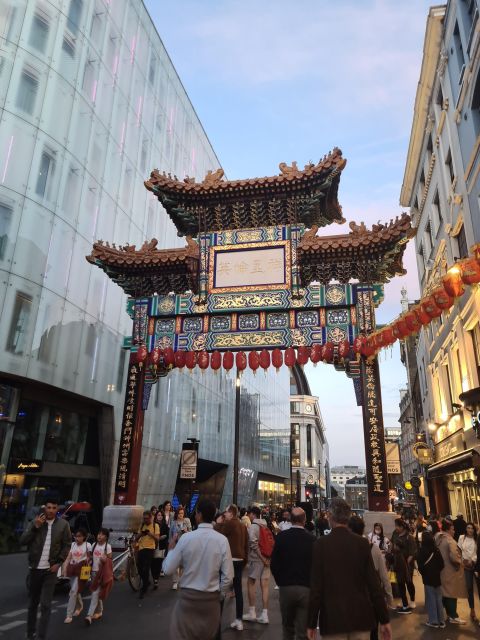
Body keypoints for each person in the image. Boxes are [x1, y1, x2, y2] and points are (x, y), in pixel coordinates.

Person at [307, 498, 391, 640]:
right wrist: (384, 619)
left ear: (330, 516)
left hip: (333, 620)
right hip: (361, 617)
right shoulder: (362, 544)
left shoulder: (321, 545)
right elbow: (374, 584)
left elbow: (316, 589)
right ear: (348, 517)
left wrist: (311, 623)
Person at [163, 498, 233, 640]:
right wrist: (220, 594)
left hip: (188, 601)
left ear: (199, 515)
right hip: (211, 602)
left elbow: (168, 569)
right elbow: (228, 576)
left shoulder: (186, 538)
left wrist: (171, 550)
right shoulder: (221, 540)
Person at [20, 499, 71, 640]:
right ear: (44, 508)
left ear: (57, 509)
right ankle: (31, 634)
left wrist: (59, 563)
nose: (51, 510)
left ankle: (41, 637)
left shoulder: (63, 525)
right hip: (35, 568)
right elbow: (23, 541)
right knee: (32, 604)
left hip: (51, 570)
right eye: (48, 507)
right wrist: (35, 527)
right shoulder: (35, 522)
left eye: (54, 507)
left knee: (46, 605)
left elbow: (67, 545)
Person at [271, 507, 315, 640]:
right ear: (304, 520)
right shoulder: (312, 539)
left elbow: (274, 564)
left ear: (290, 519)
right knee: (303, 631)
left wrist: (280, 581)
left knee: (287, 628)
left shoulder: (281, 537)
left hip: (286, 587)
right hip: (306, 588)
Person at [348, 516, 393, 637]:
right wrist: (389, 597)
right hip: (373, 596)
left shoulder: (346, 549)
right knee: (373, 631)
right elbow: (384, 576)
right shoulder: (374, 548)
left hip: (353, 598)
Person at [214, 503, 249, 631]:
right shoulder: (242, 526)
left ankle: (217, 620)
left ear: (232, 513)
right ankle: (239, 620)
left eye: (227, 512)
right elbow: (246, 545)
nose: (225, 514)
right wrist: (245, 561)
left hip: (229, 560)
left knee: (222, 589)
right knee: (238, 590)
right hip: (240, 560)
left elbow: (218, 534)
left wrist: (218, 523)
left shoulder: (229, 524)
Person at [243, 506, 272, 624]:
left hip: (256, 559)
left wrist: (261, 558)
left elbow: (253, 544)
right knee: (265, 586)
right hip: (267, 558)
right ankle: (265, 614)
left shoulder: (254, 527)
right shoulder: (265, 525)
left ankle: (252, 612)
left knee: (251, 583)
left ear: (253, 515)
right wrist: (266, 559)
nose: (249, 516)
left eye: (249, 514)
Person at [436, 518, 468, 624]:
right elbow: (454, 557)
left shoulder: (438, 537)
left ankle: (447, 614)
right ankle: (453, 616)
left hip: (441, 570)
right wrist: (459, 563)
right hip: (450, 571)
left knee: (445, 593)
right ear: (449, 529)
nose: (454, 531)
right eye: (453, 529)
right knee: (452, 593)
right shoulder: (450, 540)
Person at [417, 531, 445, 629]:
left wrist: (424, 573)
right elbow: (442, 564)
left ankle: (433, 621)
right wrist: (436, 571)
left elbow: (420, 566)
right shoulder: (436, 550)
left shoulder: (421, 550)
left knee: (431, 599)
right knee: (438, 599)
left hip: (428, 578)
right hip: (437, 578)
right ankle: (441, 621)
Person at [85, 527, 112, 625]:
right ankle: (100, 611)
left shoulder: (107, 547)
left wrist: (105, 560)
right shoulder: (94, 545)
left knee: (95, 593)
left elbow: (110, 560)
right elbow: (91, 557)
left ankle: (89, 615)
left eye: (102, 534)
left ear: (106, 537)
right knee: (96, 593)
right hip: (93, 572)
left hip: (102, 574)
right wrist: (89, 560)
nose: (99, 536)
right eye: (98, 534)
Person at [63, 528, 91, 623]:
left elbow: (89, 558)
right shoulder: (73, 544)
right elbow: (69, 557)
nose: (77, 538)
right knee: (75, 591)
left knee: (73, 591)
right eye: (76, 536)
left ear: (84, 537)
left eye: (79, 536)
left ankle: (69, 615)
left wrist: (88, 560)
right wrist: (64, 568)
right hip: (72, 569)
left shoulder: (88, 545)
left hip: (82, 570)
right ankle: (80, 606)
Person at [391, 518, 416, 609]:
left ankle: (412, 600)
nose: (396, 528)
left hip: (407, 564)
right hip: (397, 563)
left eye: (397, 526)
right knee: (400, 583)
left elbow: (412, 553)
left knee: (409, 582)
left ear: (402, 527)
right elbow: (392, 544)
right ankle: (403, 601)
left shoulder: (410, 537)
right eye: (395, 526)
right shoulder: (395, 534)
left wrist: (405, 563)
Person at [136, 510, 160, 598]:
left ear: (150, 517)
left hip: (150, 549)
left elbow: (157, 539)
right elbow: (137, 537)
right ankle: (147, 582)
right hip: (141, 548)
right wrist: (141, 534)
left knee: (146, 568)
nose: (145, 520)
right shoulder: (142, 525)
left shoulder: (155, 525)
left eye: (147, 518)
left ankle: (144, 587)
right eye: (144, 518)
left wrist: (149, 533)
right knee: (139, 568)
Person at [458, 521, 477, 621]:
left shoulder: (476, 539)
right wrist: (462, 562)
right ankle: (472, 609)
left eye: (472, 528)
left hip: (475, 565)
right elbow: (459, 551)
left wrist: (473, 560)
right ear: (466, 529)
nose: (470, 530)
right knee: (469, 588)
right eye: (468, 528)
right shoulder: (462, 538)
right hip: (465, 566)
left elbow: (477, 552)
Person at [169, 505, 192, 589]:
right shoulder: (173, 522)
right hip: (175, 545)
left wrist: (186, 531)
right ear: (177, 514)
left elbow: (191, 532)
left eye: (182, 513)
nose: (181, 515)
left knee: (182, 564)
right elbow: (170, 535)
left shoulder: (187, 521)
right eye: (179, 513)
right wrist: (170, 544)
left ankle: (181, 579)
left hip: (185, 545)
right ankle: (175, 582)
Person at [151, 510, 169, 588]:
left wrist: (161, 537)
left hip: (161, 546)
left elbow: (167, 535)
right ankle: (154, 577)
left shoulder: (165, 525)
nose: (160, 516)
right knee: (152, 563)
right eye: (158, 515)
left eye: (161, 515)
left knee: (158, 563)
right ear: (156, 516)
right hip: (152, 546)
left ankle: (156, 579)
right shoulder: (153, 525)